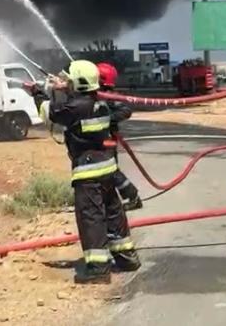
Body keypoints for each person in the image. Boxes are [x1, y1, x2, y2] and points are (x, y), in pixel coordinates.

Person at [40, 60, 141, 284]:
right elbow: (80, 104)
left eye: (71, 80)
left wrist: (41, 92)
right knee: (113, 214)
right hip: (107, 168)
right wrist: (64, 87)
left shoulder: (76, 107)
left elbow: (51, 112)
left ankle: (98, 270)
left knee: (91, 220)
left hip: (88, 174)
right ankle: (127, 259)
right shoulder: (101, 103)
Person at [96, 62, 143, 211]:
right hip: (98, 140)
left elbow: (126, 110)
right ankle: (106, 201)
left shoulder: (109, 96)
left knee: (110, 171)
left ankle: (133, 197)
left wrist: (107, 119)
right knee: (103, 172)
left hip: (107, 140)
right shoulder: (94, 94)